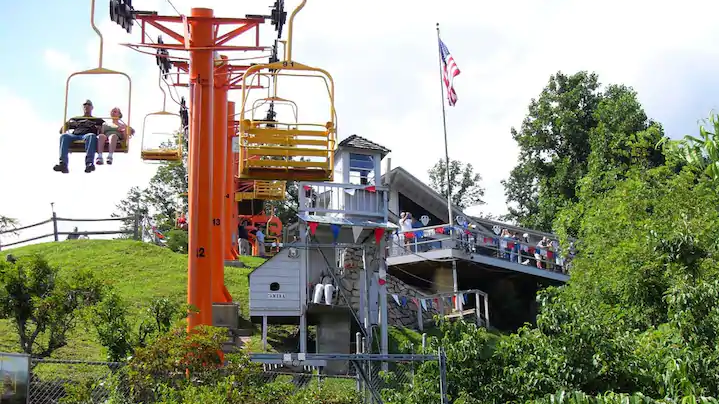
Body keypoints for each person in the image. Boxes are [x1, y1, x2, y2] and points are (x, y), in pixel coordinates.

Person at [54, 100, 104, 174]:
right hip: (75, 135)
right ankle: (63, 164)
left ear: (92, 107)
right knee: (64, 136)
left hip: (86, 135)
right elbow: (61, 131)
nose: (86, 106)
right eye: (85, 105)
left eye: (88, 105)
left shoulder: (97, 120)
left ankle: (89, 163)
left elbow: (103, 131)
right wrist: (66, 124)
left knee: (91, 136)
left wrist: (99, 129)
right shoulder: (77, 119)